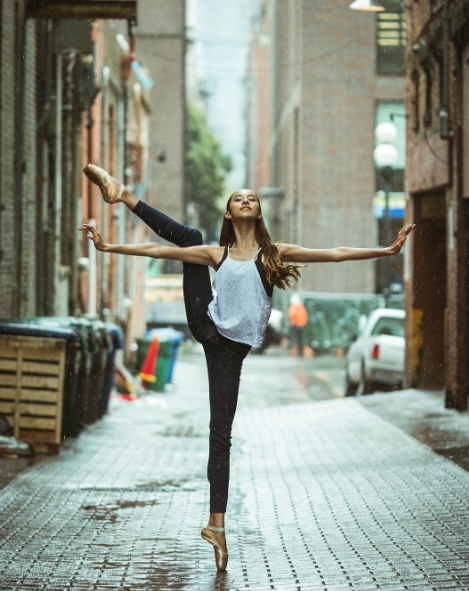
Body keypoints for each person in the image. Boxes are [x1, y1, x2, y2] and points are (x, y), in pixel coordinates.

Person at [79, 163, 415, 571]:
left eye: (251, 198)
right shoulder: (215, 254)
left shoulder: (273, 254)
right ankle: (123, 195)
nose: (245, 199)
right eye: (238, 197)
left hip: (231, 353)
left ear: (257, 213)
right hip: (207, 323)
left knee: (221, 436)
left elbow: (334, 254)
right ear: (229, 212)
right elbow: (158, 250)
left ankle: (216, 527)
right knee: (189, 240)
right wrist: (110, 248)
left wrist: (384, 251)